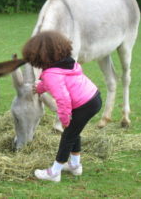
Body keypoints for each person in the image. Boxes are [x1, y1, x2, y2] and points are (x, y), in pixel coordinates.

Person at [22, 31, 102, 182]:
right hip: (93, 98)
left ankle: (54, 172)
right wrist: (39, 89)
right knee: (74, 132)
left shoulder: (52, 74)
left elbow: (63, 98)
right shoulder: (65, 64)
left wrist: (65, 119)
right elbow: (57, 82)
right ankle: (75, 166)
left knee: (68, 136)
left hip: (84, 104)